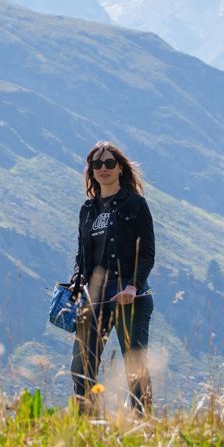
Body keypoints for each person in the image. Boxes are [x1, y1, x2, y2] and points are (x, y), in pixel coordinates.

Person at [71, 139, 155, 416]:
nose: (103, 168)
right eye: (97, 164)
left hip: (130, 297)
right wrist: (76, 284)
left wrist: (134, 286)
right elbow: (82, 256)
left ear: (120, 168)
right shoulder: (87, 210)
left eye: (109, 163)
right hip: (94, 298)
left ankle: (141, 423)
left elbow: (147, 253)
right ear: (91, 171)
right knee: (81, 365)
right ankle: (88, 423)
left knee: (134, 366)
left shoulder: (135, 204)